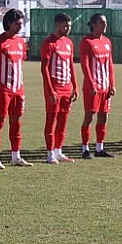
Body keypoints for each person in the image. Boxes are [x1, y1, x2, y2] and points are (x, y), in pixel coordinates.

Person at [0, 8, 32, 169]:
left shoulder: (20, 42)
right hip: (3, 89)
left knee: (16, 122)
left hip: (18, 89)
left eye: (21, 23)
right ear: (9, 23)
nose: (20, 26)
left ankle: (15, 156)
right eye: (17, 24)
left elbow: (20, 62)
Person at [41, 12, 78, 163]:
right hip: (54, 88)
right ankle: (50, 153)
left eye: (69, 26)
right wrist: (50, 90)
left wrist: (75, 86)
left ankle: (58, 150)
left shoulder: (68, 43)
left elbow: (71, 65)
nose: (68, 29)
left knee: (63, 119)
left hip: (66, 88)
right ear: (57, 25)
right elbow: (44, 69)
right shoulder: (49, 43)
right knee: (52, 119)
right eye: (65, 26)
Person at [79, 13, 116, 158]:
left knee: (104, 116)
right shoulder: (87, 42)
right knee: (89, 116)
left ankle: (99, 148)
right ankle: (85, 149)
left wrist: (112, 84)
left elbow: (110, 64)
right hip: (92, 88)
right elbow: (85, 64)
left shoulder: (107, 41)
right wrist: (91, 83)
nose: (105, 25)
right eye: (101, 22)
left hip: (105, 86)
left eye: (105, 22)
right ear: (93, 24)